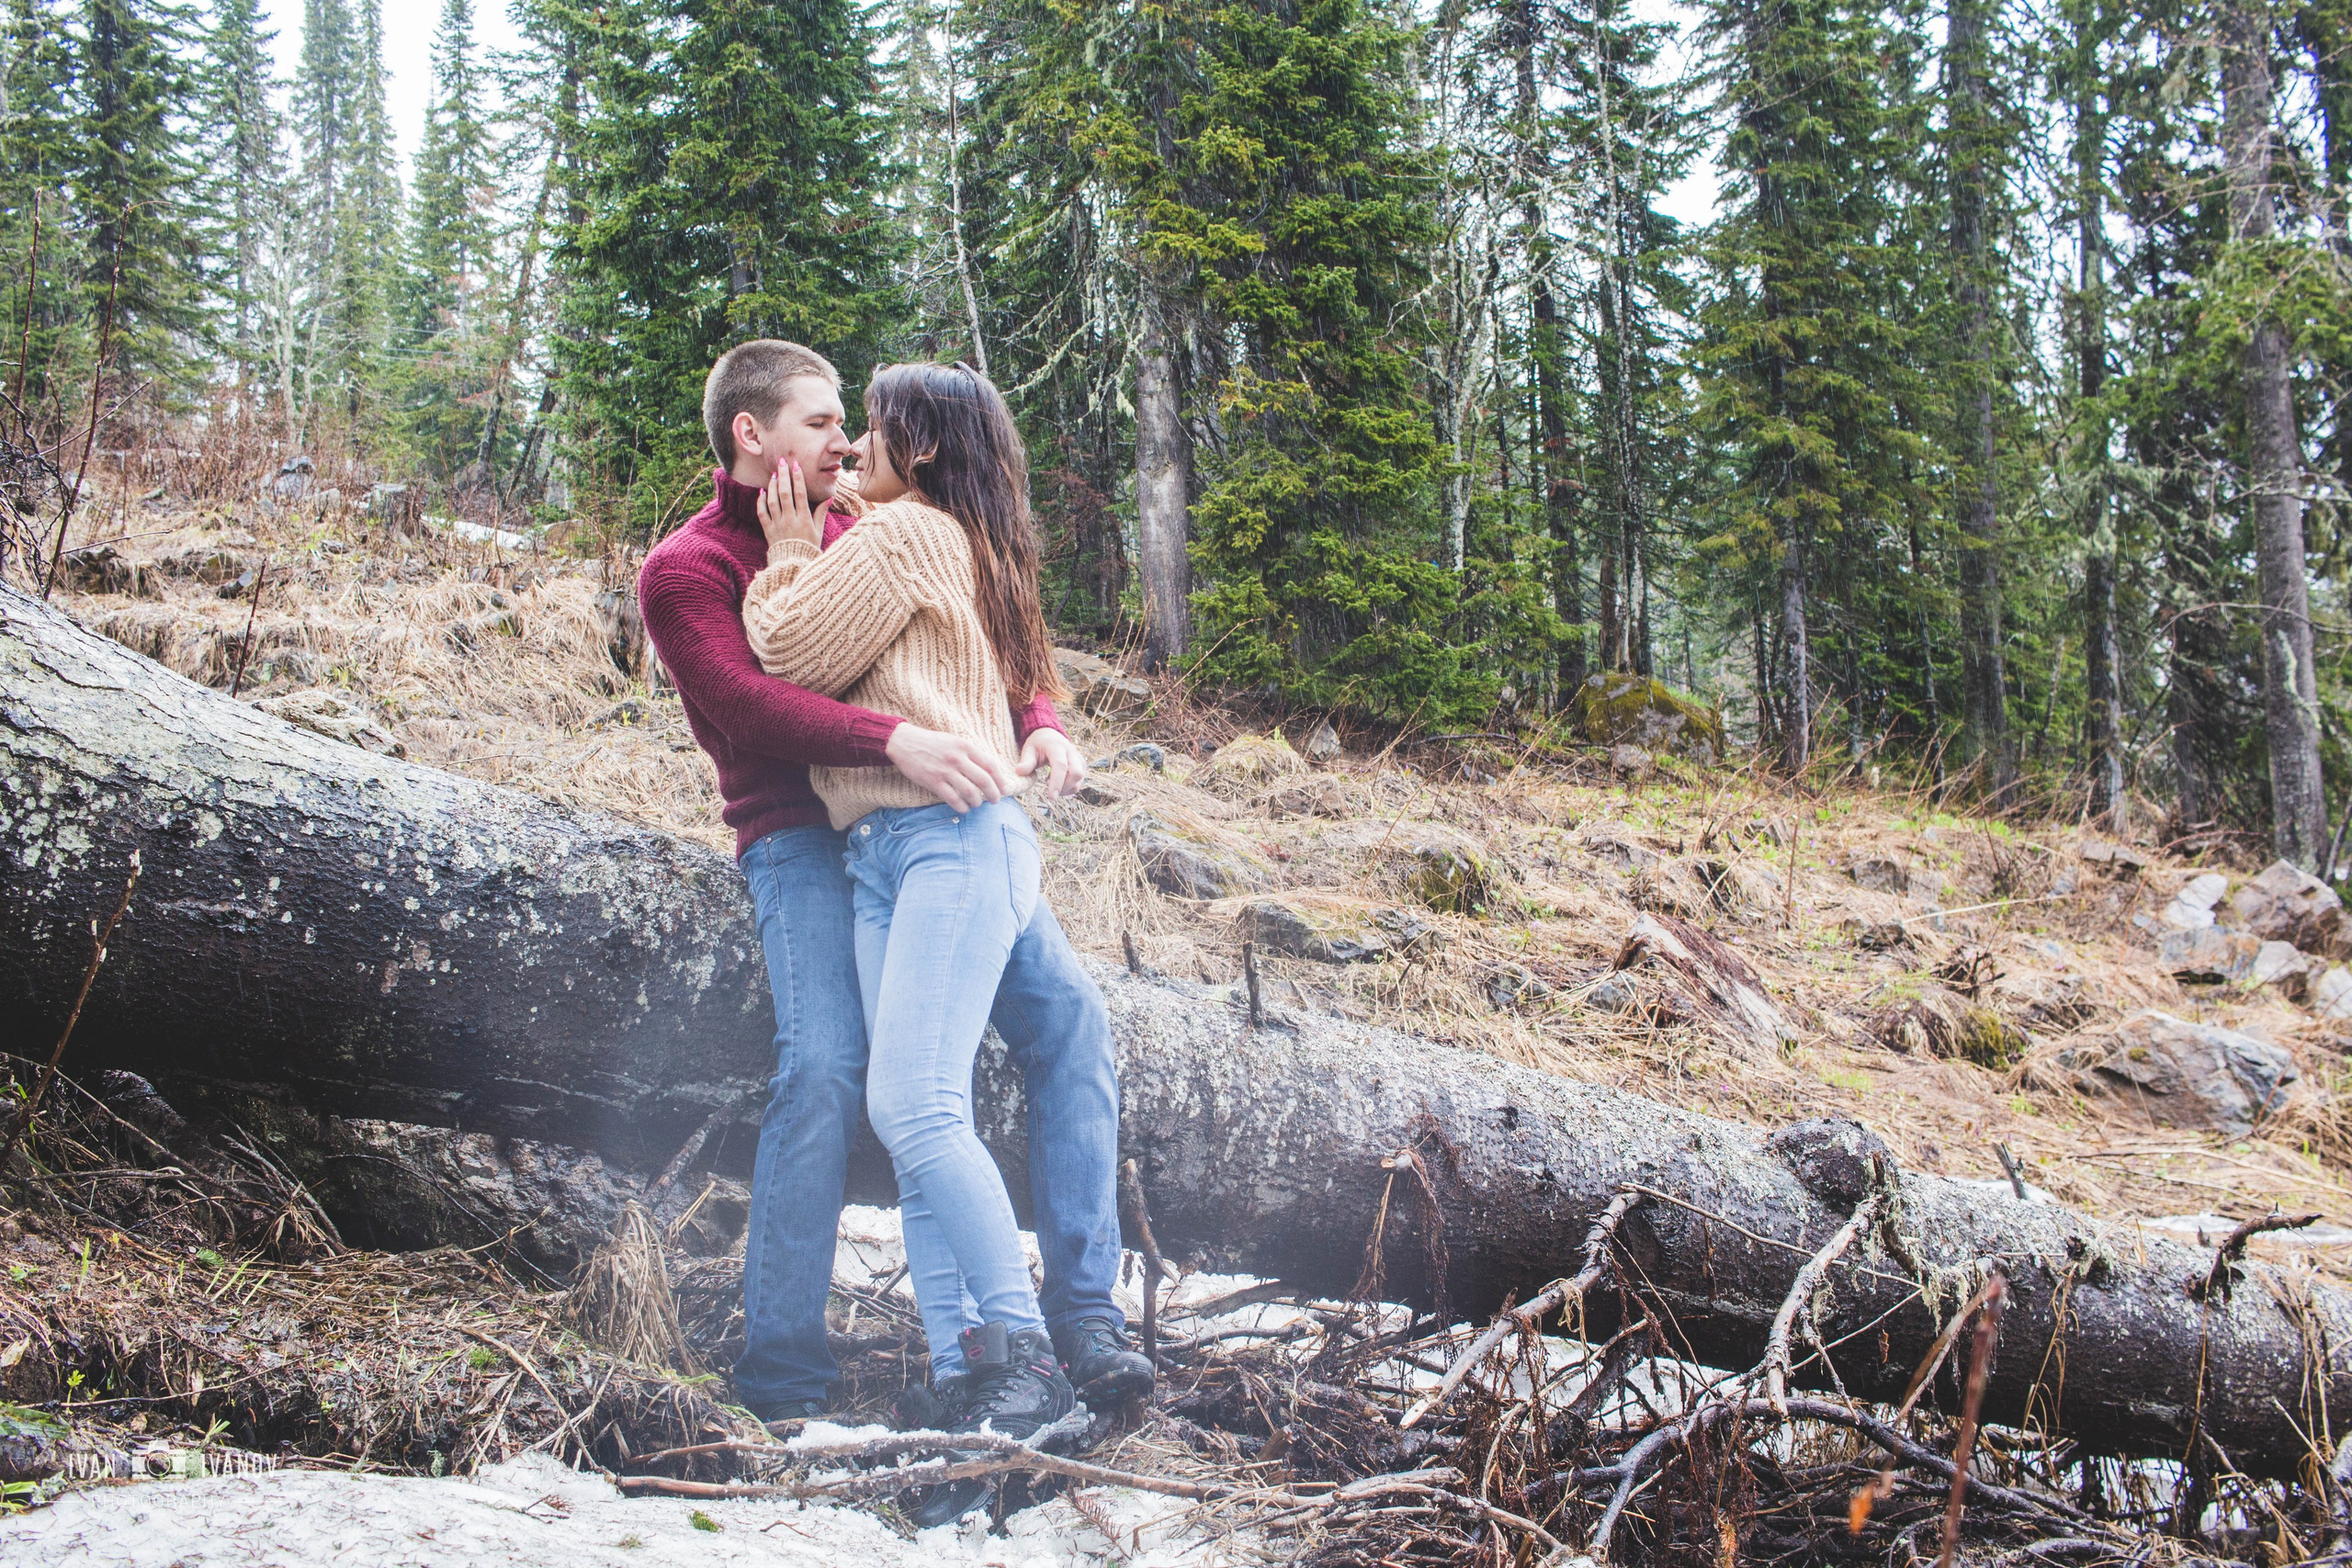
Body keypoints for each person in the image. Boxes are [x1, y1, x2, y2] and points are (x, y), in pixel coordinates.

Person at [635, 342, 1148, 1437]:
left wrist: (1042, 719)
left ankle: (1075, 1322)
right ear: (751, 436)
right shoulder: (686, 567)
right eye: (822, 424)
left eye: (850, 424)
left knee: (1069, 1028)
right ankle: (784, 1370)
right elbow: (749, 703)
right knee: (828, 1067)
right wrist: (901, 739)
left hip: (939, 819)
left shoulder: (864, 524)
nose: (845, 442)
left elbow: (993, 636)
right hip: (804, 836)